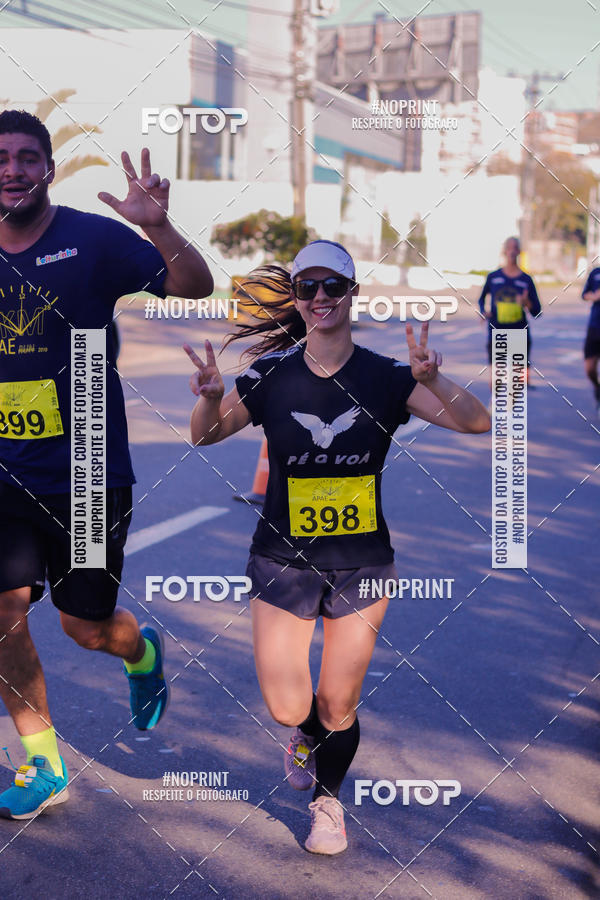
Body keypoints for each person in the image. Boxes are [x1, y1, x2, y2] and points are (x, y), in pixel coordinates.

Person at [184, 239, 490, 855]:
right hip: (282, 559)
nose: (320, 298)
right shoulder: (272, 375)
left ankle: (328, 802)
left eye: (332, 286)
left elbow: (476, 421)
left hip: (362, 564)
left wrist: (435, 378)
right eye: (307, 288)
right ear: (296, 299)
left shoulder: (385, 376)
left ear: (352, 292)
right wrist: (212, 397)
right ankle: (303, 734)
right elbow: (206, 437)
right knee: (287, 702)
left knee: (337, 701)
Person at [0, 109, 213, 819]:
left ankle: (139, 651)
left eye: (27, 158)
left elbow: (194, 284)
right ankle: (44, 765)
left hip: (88, 462)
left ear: (49, 169)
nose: (11, 170)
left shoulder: (91, 239)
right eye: (0, 158)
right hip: (5, 473)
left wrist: (156, 224)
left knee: (82, 627)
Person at [478, 236, 541, 386]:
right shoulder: (493, 277)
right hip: (497, 332)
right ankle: (497, 406)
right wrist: (483, 311)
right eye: (509, 248)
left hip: (519, 332)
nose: (512, 251)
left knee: (518, 384)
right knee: (496, 382)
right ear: (504, 251)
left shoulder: (526, 280)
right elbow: (481, 299)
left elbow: (537, 312)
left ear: (519, 251)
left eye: (515, 248)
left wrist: (526, 302)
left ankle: (512, 407)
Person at [581, 263, 600, 414]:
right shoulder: (595, 273)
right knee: (589, 368)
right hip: (594, 327)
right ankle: (597, 387)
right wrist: (595, 296)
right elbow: (584, 294)